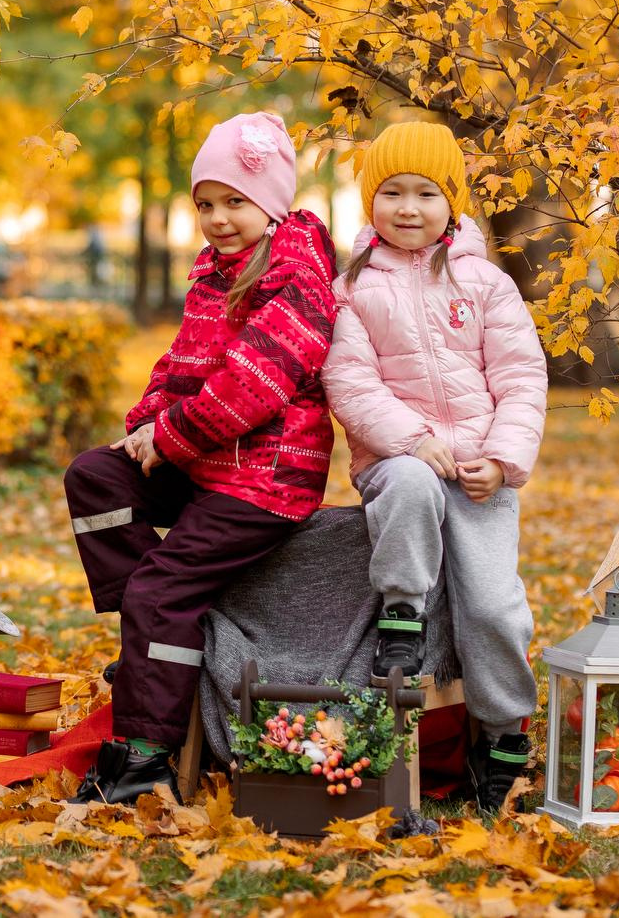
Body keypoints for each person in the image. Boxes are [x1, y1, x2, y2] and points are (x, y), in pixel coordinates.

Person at [63, 111, 339, 805]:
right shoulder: (214, 270)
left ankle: (143, 757)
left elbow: (251, 385)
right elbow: (183, 361)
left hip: (267, 479)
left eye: (235, 202)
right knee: (95, 476)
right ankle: (154, 648)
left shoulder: (298, 277)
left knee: (160, 592)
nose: (218, 218)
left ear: (270, 203)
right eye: (206, 204)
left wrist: (170, 437)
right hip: (209, 463)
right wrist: (145, 425)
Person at [321, 119, 547, 813]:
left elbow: (521, 376)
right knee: (412, 480)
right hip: (396, 460)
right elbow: (349, 381)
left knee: (495, 606)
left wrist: (503, 459)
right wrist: (412, 439)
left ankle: (503, 734)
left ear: (452, 202)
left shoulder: (485, 284)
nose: (409, 208)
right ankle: (402, 613)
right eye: (392, 192)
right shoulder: (352, 288)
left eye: (426, 193)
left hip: (478, 471)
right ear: (371, 200)